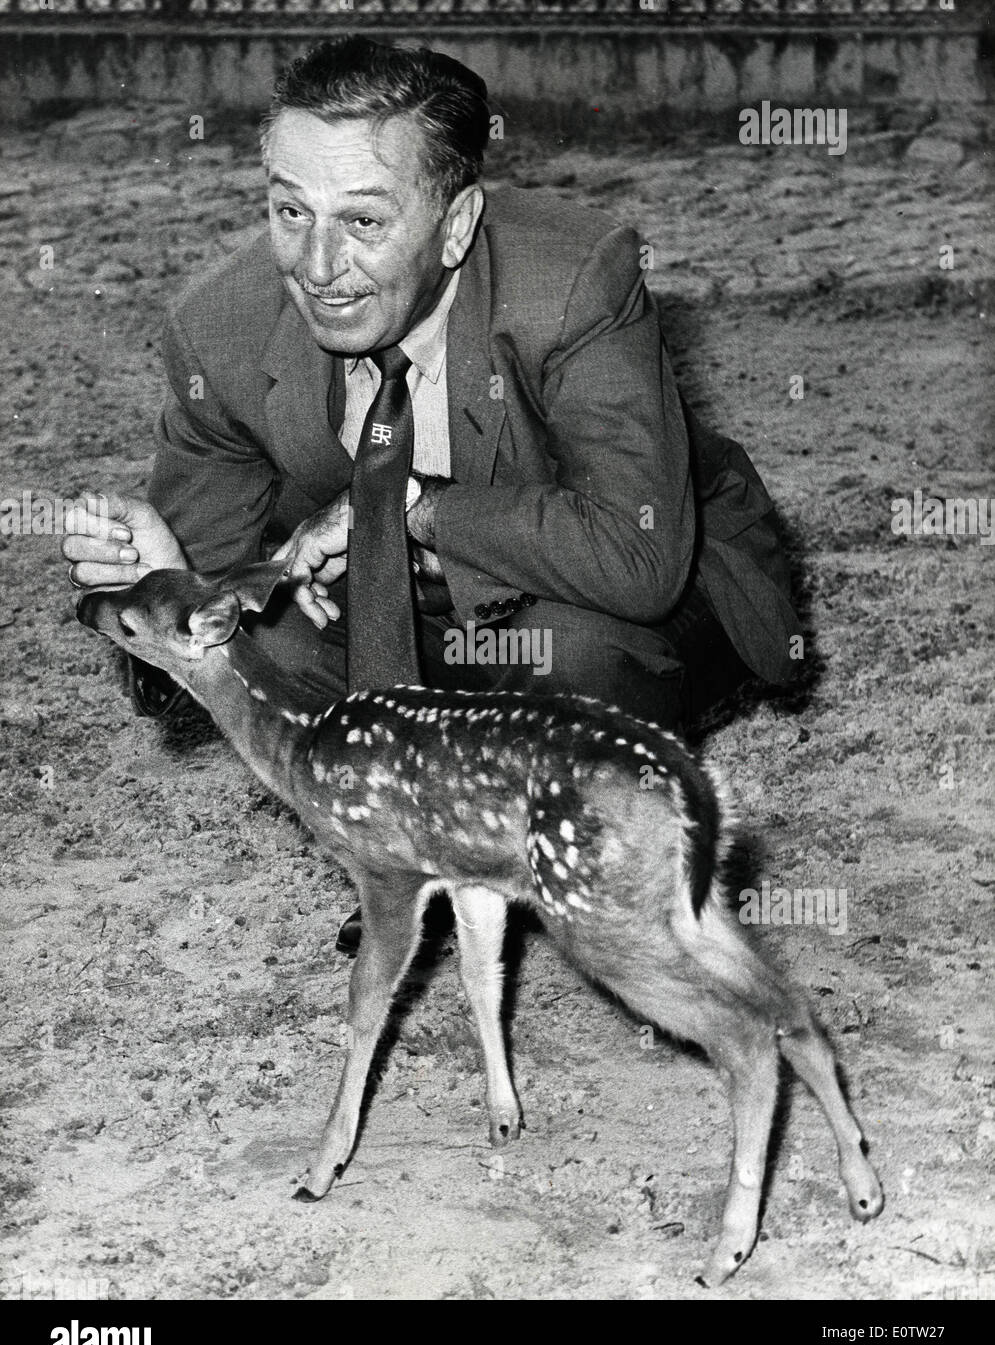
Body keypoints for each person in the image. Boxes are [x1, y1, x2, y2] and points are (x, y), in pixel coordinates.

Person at [64, 36, 798, 942]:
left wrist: (412, 508)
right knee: (277, 638)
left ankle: (581, 851)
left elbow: (638, 556)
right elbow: (203, 627)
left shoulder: (574, 280)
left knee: (568, 652)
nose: (318, 266)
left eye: (364, 222)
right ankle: (409, 853)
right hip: (384, 605)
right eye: (290, 212)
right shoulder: (219, 327)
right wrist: (169, 575)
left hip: (610, 578)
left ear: (455, 226)